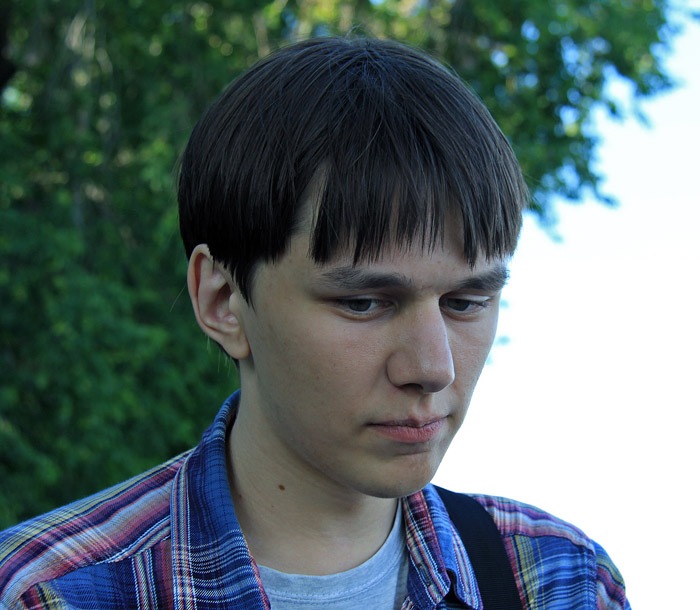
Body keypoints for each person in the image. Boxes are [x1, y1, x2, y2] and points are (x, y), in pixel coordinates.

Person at [0, 36, 630, 609]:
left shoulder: (558, 581)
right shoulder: (48, 595)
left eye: (466, 302)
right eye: (364, 303)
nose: (433, 367)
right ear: (221, 301)